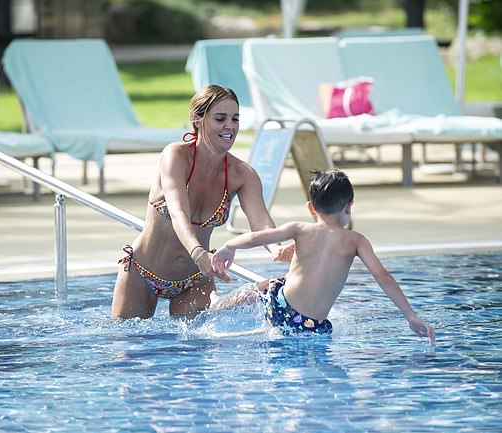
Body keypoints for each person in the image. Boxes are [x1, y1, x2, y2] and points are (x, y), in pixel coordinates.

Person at [112, 85, 280, 319]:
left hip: (194, 280)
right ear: (197, 119)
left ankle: (244, 297)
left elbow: (261, 224)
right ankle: (232, 300)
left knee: (194, 351)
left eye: (235, 119)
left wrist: (277, 247)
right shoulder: (175, 156)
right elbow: (179, 212)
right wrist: (198, 253)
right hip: (144, 273)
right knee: (129, 345)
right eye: (220, 119)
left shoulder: (242, 174)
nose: (230, 126)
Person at [211, 170, 436, 344]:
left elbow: (256, 238)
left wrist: (229, 246)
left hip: (279, 305)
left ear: (311, 208)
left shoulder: (299, 229)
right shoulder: (356, 241)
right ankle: (234, 314)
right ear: (349, 207)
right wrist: (410, 316)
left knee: (275, 284)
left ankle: (220, 304)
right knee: (290, 322)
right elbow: (382, 276)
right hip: (311, 325)